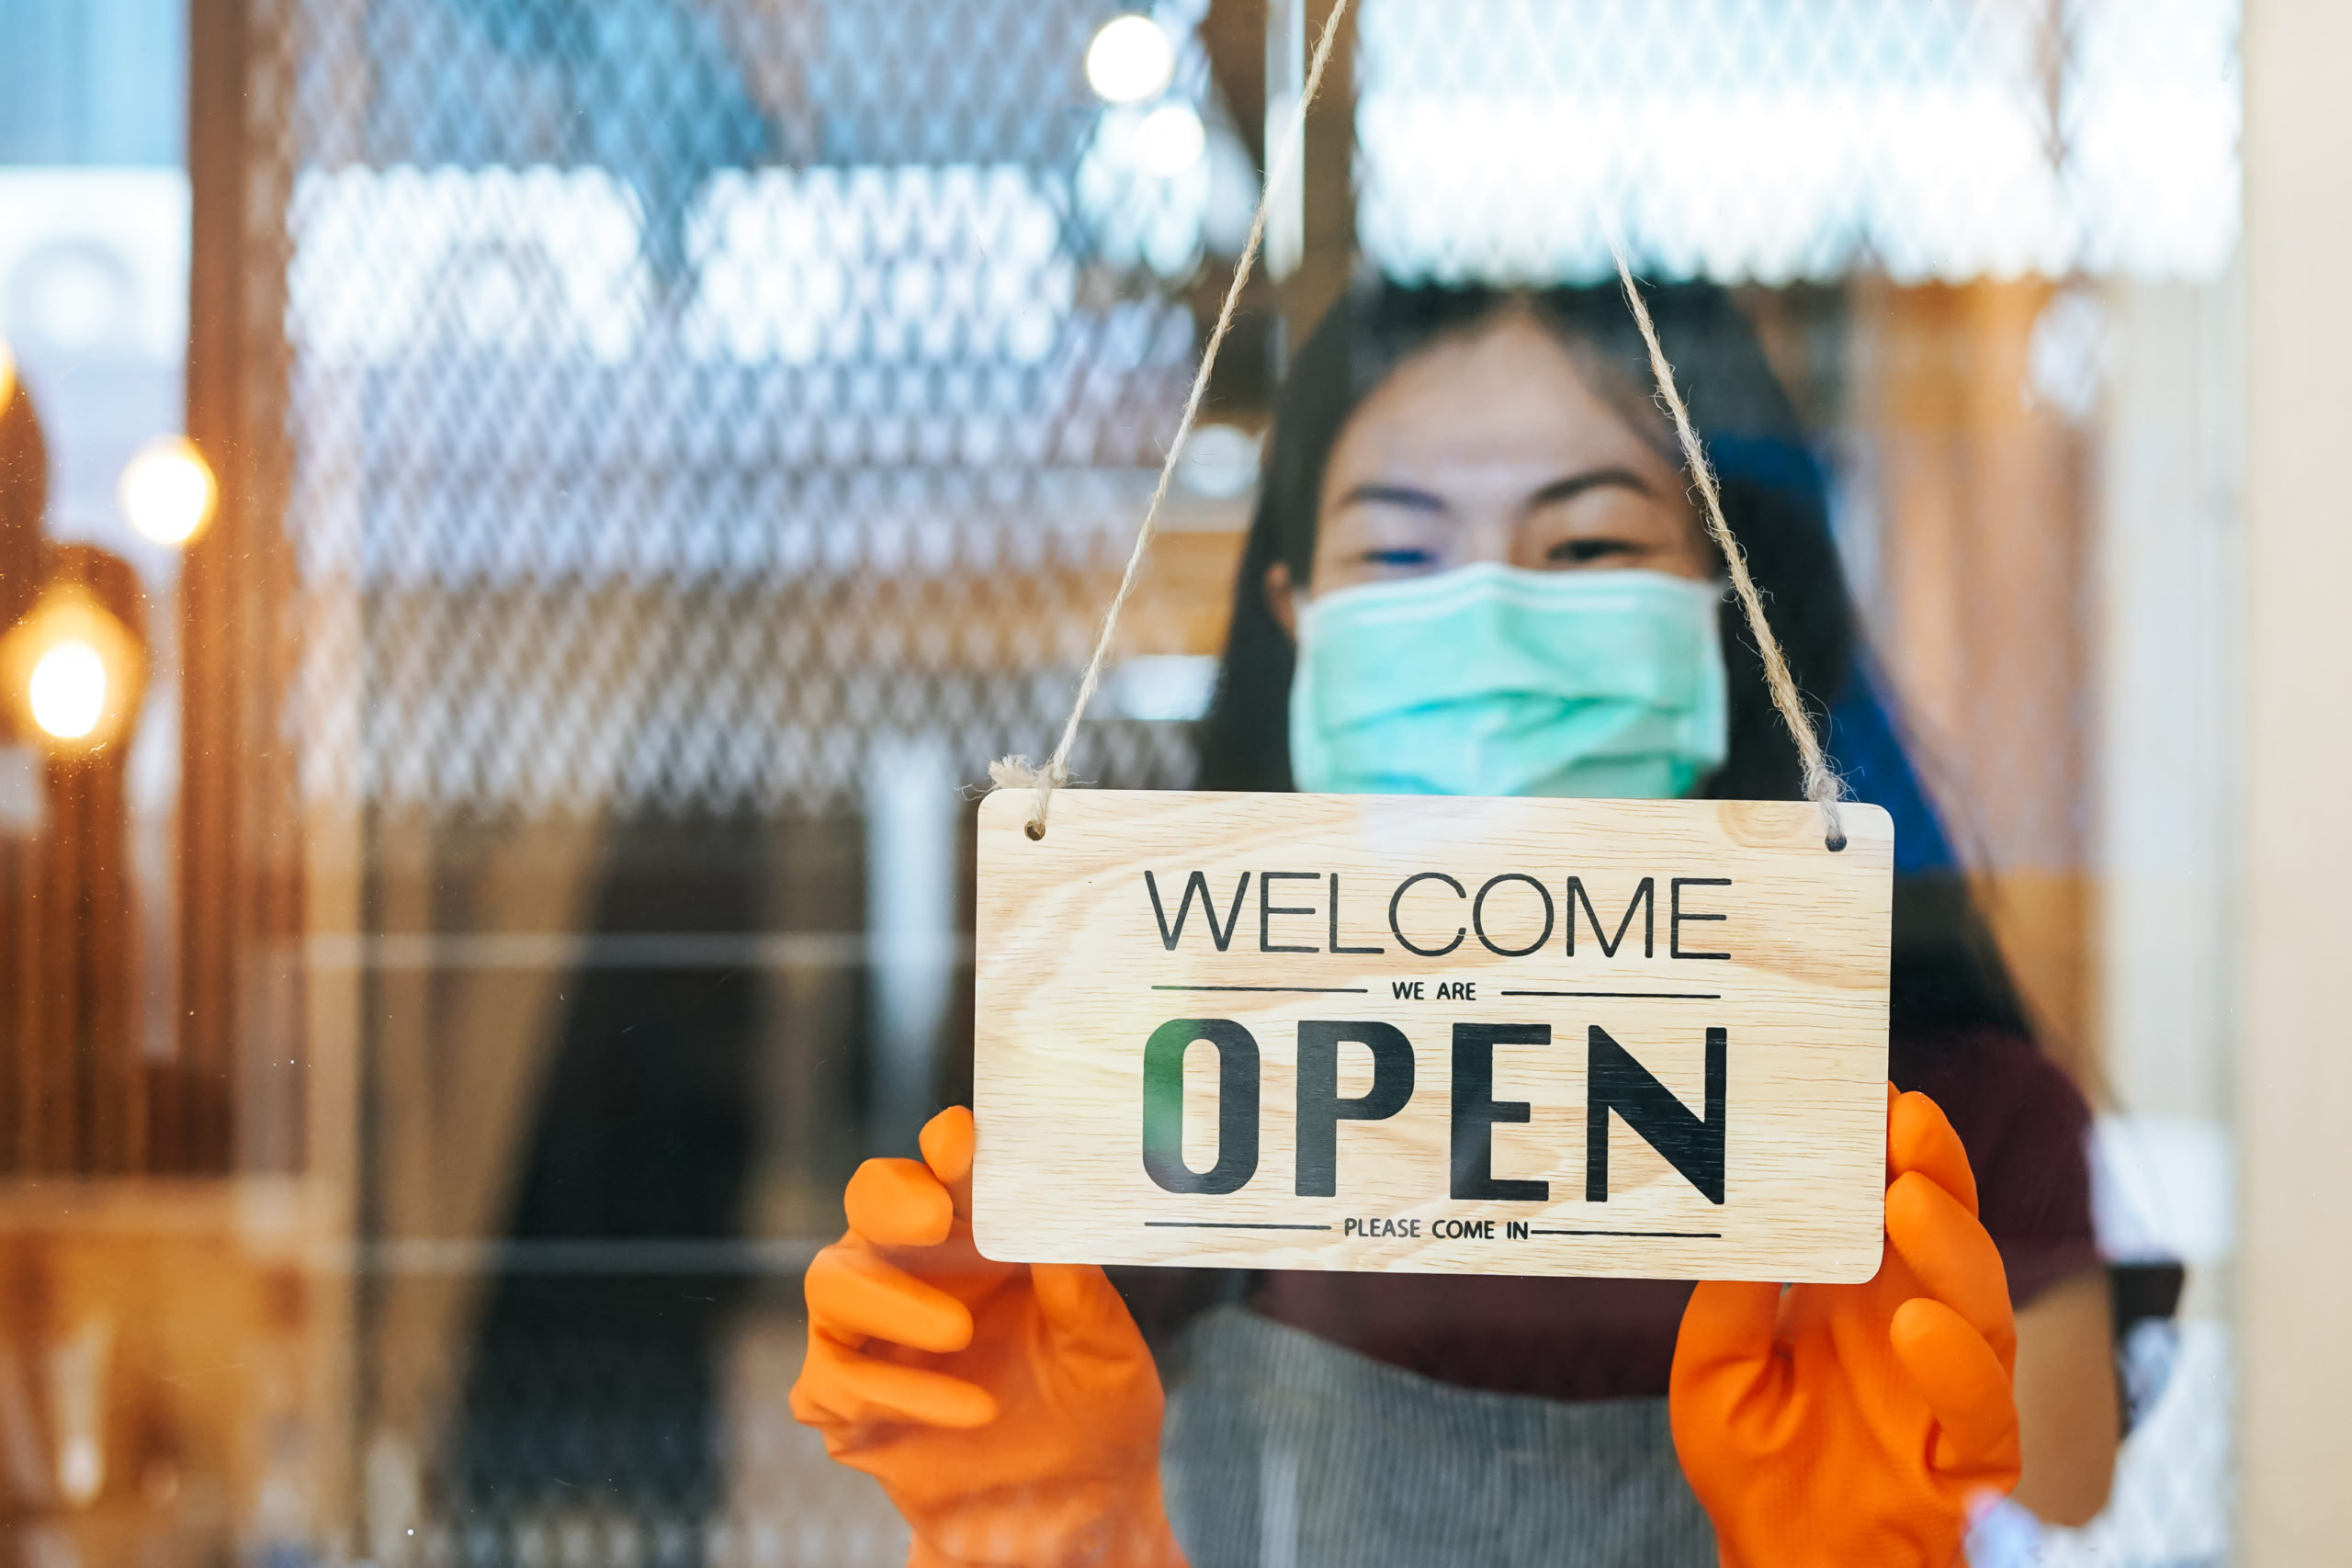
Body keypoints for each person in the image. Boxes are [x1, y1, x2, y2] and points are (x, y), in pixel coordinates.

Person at [793, 281, 2119, 1567]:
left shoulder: (1941, 1127)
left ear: (1729, 602)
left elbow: (2066, 1493)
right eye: (1401, 550)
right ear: (1293, 615)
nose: (1490, 607)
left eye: (1587, 543)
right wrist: (1053, 1548)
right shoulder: (1144, 1077)